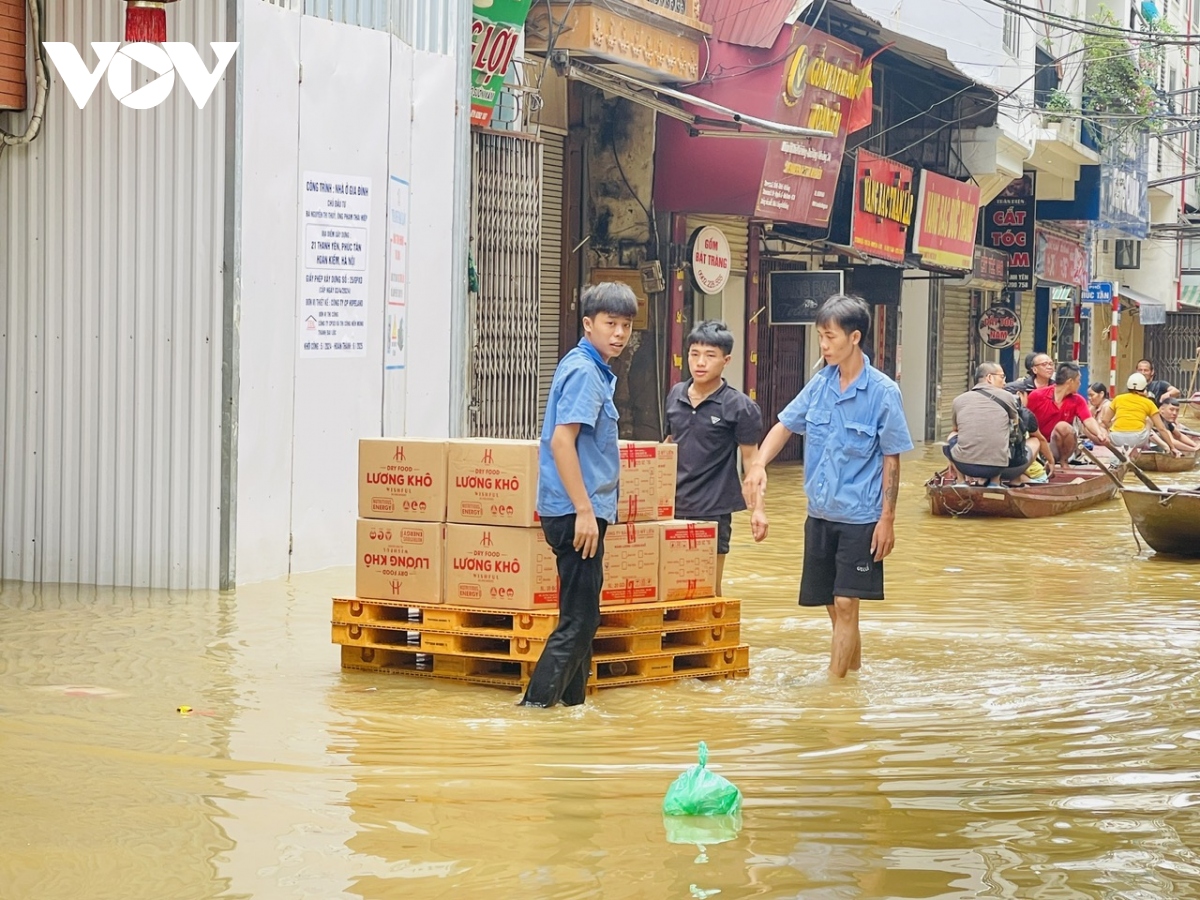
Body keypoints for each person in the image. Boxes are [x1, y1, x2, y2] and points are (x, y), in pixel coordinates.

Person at [743, 295, 913, 679]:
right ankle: (852, 675)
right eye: (820, 336)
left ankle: (833, 691)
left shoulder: (883, 393)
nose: (823, 344)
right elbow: (785, 425)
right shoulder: (819, 384)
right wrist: (758, 464)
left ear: (854, 337)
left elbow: (892, 458)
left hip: (860, 517)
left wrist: (887, 520)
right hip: (819, 514)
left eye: (829, 336)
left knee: (846, 602)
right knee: (833, 607)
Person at [519, 282, 638, 708]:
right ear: (588, 324)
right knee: (579, 619)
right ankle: (534, 710)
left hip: (575, 510)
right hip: (575, 513)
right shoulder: (586, 372)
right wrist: (585, 511)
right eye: (610, 323)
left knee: (584, 619)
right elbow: (561, 442)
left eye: (626, 325)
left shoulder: (589, 367)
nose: (619, 334)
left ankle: (572, 711)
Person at [664, 320, 768, 596]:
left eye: (710, 356)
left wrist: (758, 509)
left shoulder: (740, 407)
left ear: (726, 360)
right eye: (694, 354)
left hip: (713, 509)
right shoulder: (675, 395)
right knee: (669, 585)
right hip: (672, 507)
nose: (700, 362)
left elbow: (751, 462)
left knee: (708, 587)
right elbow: (668, 445)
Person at [943, 362, 1054, 486]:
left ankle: (961, 481)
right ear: (989, 378)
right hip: (998, 467)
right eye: (1002, 377)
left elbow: (956, 430)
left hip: (964, 466)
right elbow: (1015, 427)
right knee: (1027, 440)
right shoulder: (1009, 397)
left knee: (952, 435)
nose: (1005, 382)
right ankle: (998, 482)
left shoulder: (958, 400)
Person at [1025, 362, 1109, 464]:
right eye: (1078, 381)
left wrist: (1099, 433)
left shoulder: (1078, 400)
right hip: (1039, 445)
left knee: (1063, 427)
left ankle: (1063, 461)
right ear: (1070, 381)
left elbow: (1088, 419)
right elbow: (1026, 420)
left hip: (1058, 447)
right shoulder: (1037, 396)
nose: (1080, 384)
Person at [1101, 372, 1180, 455]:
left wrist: (1114, 428)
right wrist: (1173, 447)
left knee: (1116, 421)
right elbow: (1161, 428)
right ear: (1144, 388)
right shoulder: (1149, 403)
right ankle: (1146, 449)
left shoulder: (1118, 399)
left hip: (1115, 439)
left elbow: (1105, 420)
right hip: (1138, 440)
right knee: (1148, 420)